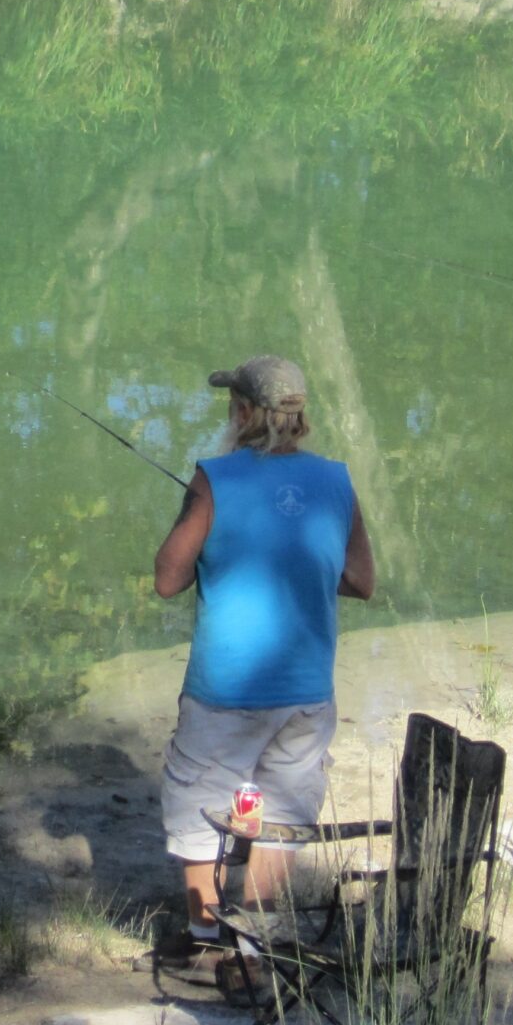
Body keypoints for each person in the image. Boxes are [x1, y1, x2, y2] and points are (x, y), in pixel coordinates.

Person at [149, 355, 375, 980]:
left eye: (231, 405)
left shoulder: (212, 478)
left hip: (227, 688)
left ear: (244, 414)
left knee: (202, 798)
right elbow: (361, 580)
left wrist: (211, 545)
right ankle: (253, 949)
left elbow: (168, 578)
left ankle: (205, 936)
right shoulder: (337, 480)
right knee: (280, 810)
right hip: (306, 691)